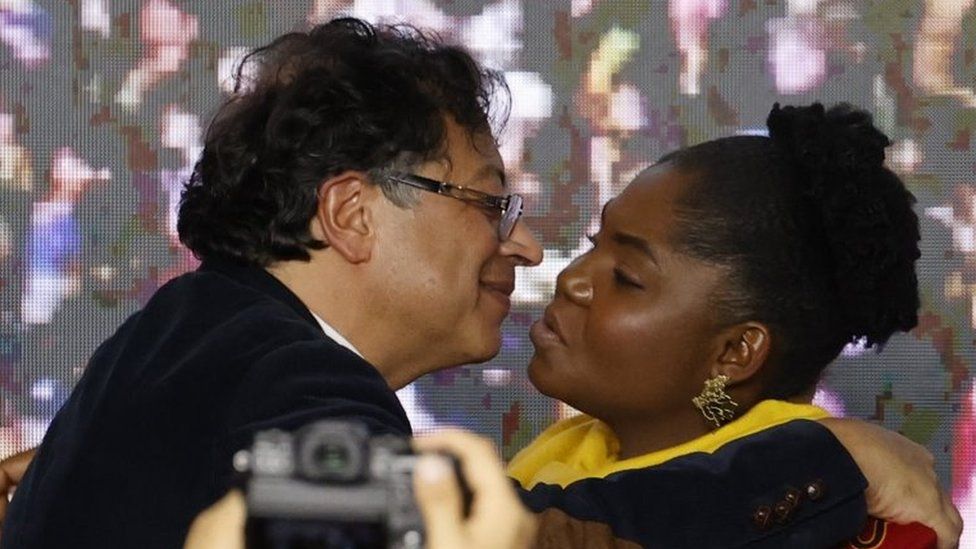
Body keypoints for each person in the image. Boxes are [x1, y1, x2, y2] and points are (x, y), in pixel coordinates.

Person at [0, 18, 959, 549]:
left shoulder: (195, 335)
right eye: (488, 202)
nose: (536, 251)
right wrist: (827, 462)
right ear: (352, 214)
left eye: (624, 269)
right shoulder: (284, 386)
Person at [509, 103, 964, 547]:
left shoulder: (852, 524)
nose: (572, 279)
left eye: (626, 277)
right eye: (594, 242)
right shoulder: (568, 454)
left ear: (735, 353)